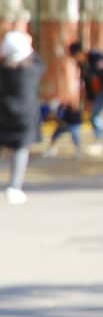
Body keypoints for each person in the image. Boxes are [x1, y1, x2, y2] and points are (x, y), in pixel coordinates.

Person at [1, 31, 45, 204]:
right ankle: (14, 186)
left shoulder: (3, 72)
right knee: (20, 152)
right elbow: (40, 62)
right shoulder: (31, 71)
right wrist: (30, 44)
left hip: (3, 115)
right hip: (25, 118)